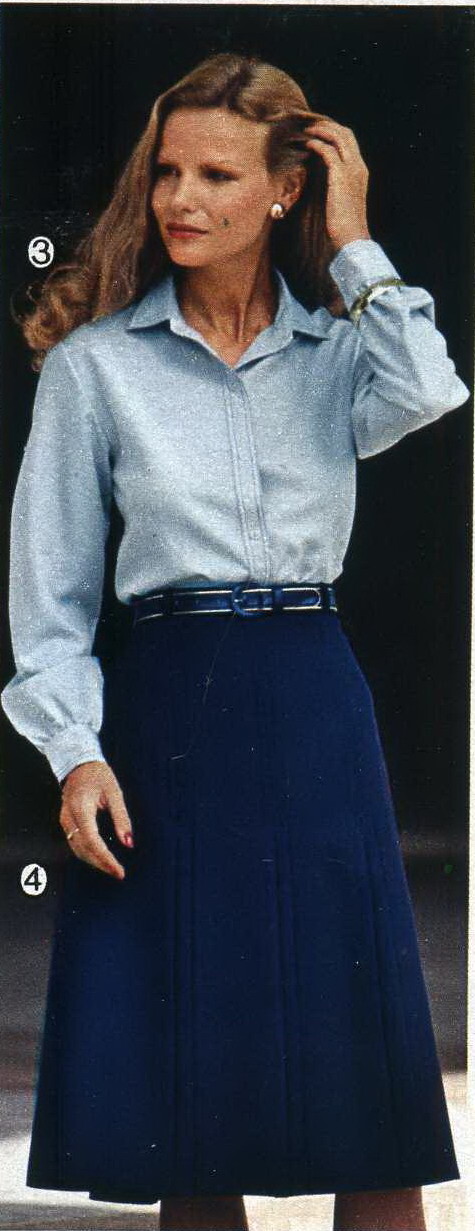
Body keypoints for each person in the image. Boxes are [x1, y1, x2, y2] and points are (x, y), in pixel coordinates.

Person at [1, 51, 470, 1231]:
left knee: (368, 1110)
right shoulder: (96, 367)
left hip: (313, 700)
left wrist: (353, 239)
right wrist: (76, 753)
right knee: (193, 1118)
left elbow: (428, 389)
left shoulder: (341, 355)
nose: (181, 198)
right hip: (168, 714)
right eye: (168, 171)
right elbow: (50, 595)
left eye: (217, 174)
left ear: (283, 190)